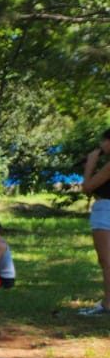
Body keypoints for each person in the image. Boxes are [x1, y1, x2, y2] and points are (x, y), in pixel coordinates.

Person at [79, 128, 110, 315]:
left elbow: (87, 187)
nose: (101, 145)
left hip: (105, 210)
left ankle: (108, 304)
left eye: (103, 141)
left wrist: (90, 163)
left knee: (106, 261)